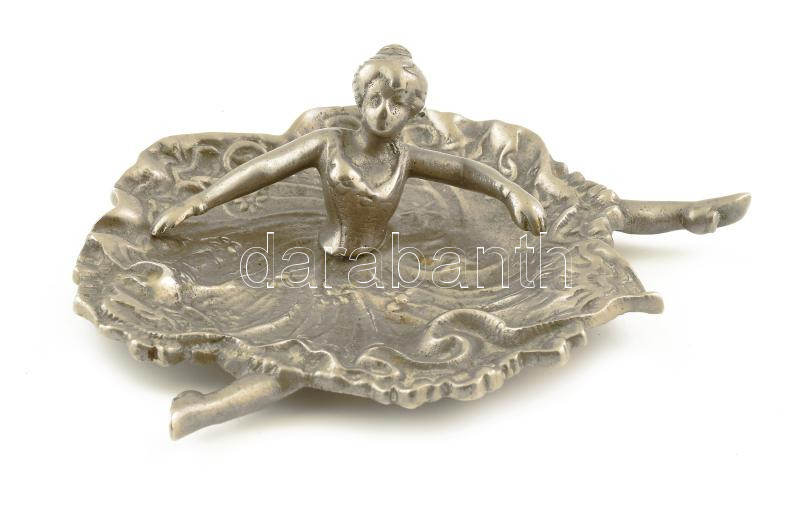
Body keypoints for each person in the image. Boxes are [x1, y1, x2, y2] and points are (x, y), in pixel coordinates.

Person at [151, 45, 545, 257]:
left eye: (398, 104)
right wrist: (197, 203)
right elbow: (265, 169)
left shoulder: (405, 158)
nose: (384, 112)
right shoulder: (329, 143)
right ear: (360, 100)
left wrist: (512, 191)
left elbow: (461, 170)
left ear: (413, 112)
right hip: (320, 257)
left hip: (385, 264)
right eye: (375, 99)